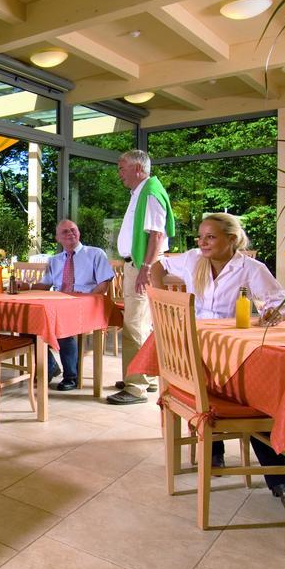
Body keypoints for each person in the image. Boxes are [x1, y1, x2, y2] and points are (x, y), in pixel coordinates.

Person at [151, 212, 285, 504]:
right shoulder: (193, 259)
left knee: (254, 393)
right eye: (201, 237)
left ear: (231, 239)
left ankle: (268, 472)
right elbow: (158, 264)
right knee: (253, 401)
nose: (202, 242)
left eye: (210, 237)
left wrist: (275, 313)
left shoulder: (251, 268)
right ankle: (274, 476)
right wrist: (160, 294)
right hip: (193, 349)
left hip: (228, 347)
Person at [108, 149, 175, 405]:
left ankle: (134, 386)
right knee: (142, 324)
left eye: (122, 168)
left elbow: (157, 235)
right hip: (138, 264)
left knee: (134, 324)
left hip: (141, 266)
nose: (119, 173)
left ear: (138, 169)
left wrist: (145, 267)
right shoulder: (141, 192)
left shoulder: (149, 193)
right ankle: (143, 375)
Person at [29, 219, 113, 391]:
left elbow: (104, 284)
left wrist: (84, 301)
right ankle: (51, 366)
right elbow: (45, 285)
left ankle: (71, 376)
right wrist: (28, 286)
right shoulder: (54, 260)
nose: (70, 234)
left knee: (62, 325)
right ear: (57, 238)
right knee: (29, 323)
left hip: (86, 305)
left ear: (79, 232)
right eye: (65, 232)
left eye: (73, 230)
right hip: (60, 303)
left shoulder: (96, 254)